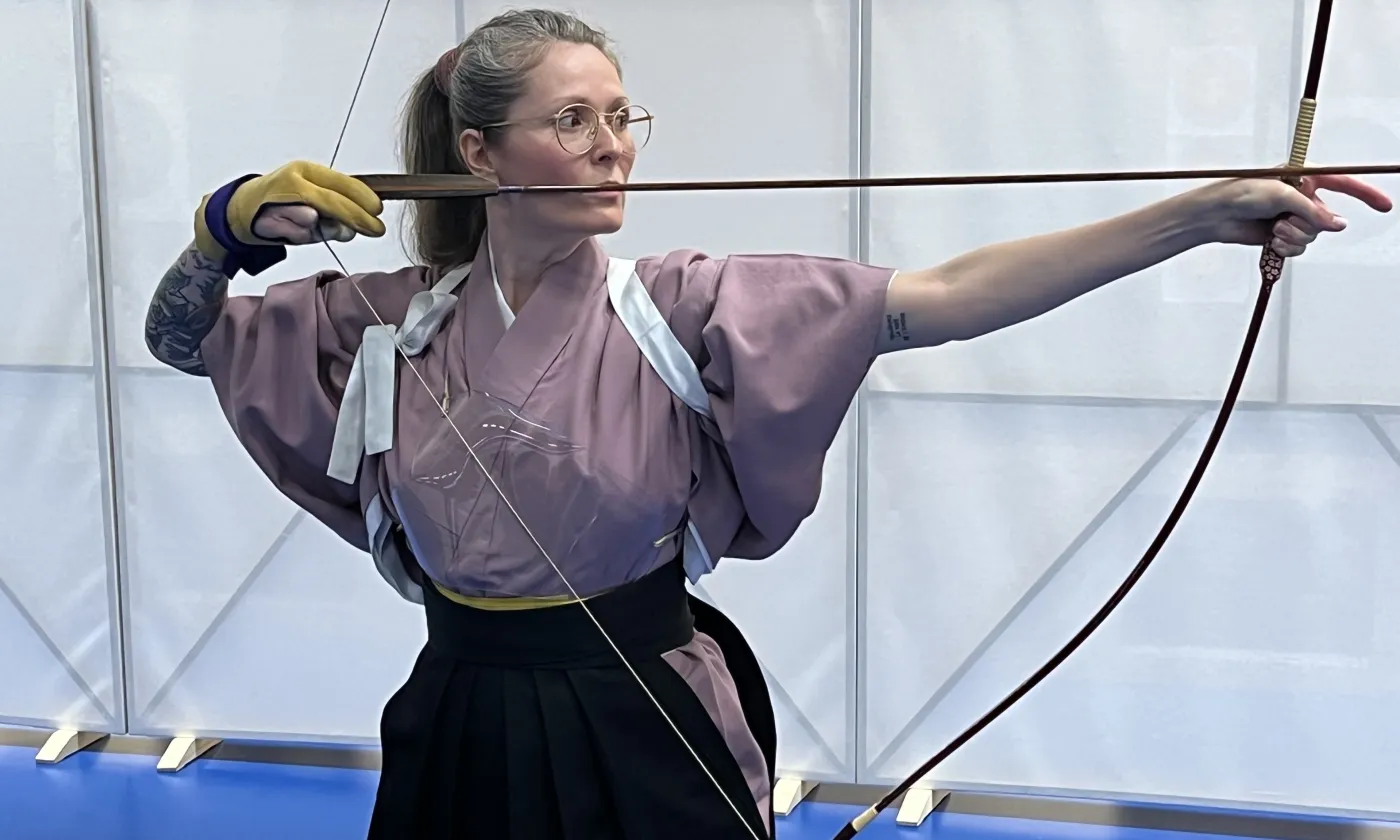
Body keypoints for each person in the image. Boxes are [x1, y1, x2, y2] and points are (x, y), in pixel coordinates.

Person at [142, 8, 1390, 840]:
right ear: (479, 151)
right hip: (460, 707)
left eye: (620, 116)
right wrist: (222, 230)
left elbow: (944, 297)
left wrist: (1193, 215)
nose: (611, 148)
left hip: (644, 707)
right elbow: (180, 338)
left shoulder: (679, 306)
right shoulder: (385, 321)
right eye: (571, 121)